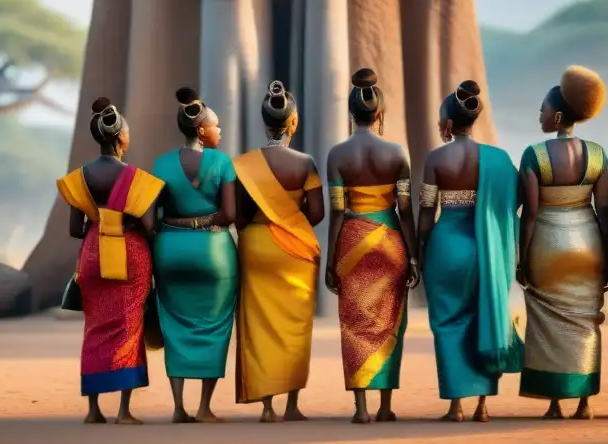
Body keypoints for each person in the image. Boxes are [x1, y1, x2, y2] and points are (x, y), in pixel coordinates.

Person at [419, 80, 524, 423]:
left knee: (448, 322)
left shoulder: (436, 158)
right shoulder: (498, 159)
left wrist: (421, 251)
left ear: (448, 124)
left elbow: (425, 213)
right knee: (485, 315)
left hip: (447, 244)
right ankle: (482, 404)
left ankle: (456, 406)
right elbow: (517, 195)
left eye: (439, 120)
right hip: (487, 248)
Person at [57, 97, 162, 425]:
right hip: (129, 255)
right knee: (128, 328)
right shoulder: (137, 179)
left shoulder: (79, 179)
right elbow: (149, 227)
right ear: (120, 138)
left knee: (95, 329)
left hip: (92, 254)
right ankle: (123, 411)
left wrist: (99, 222)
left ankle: (92, 410)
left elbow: (76, 229)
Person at [518, 66, 608, 420]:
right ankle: (585, 401)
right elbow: (603, 210)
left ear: (557, 115)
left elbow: (530, 213)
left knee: (546, 321)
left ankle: (555, 402)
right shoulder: (599, 155)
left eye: (543, 109)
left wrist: (522, 256)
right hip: (588, 242)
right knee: (586, 321)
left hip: (547, 242)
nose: (539, 115)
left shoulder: (535, 155)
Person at [326, 68, 419, 424]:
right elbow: (406, 210)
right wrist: (413, 256)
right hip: (391, 237)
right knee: (390, 321)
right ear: (379, 114)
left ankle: (361, 408)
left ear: (352, 115)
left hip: (352, 239)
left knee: (354, 323)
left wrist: (332, 260)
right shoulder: (397, 152)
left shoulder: (337, 154)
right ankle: (385, 407)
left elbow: (336, 213)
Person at [233, 81, 325, 422]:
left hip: (255, 245)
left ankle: (267, 406)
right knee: (295, 325)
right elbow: (317, 213)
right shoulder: (305, 163)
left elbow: (239, 213)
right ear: (293, 122)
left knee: (258, 324)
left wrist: (258, 226)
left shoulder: (244, 164)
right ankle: (290, 406)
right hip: (295, 249)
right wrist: (290, 224)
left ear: (264, 122)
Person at [151, 87, 238, 423]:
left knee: (174, 326)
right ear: (201, 130)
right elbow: (228, 214)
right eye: (216, 126)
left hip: (170, 251)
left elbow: (151, 217)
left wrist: (175, 223)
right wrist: (202, 220)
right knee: (214, 326)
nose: (219, 131)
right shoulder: (222, 162)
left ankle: (177, 407)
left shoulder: (160, 165)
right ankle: (204, 408)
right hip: (214, 252)